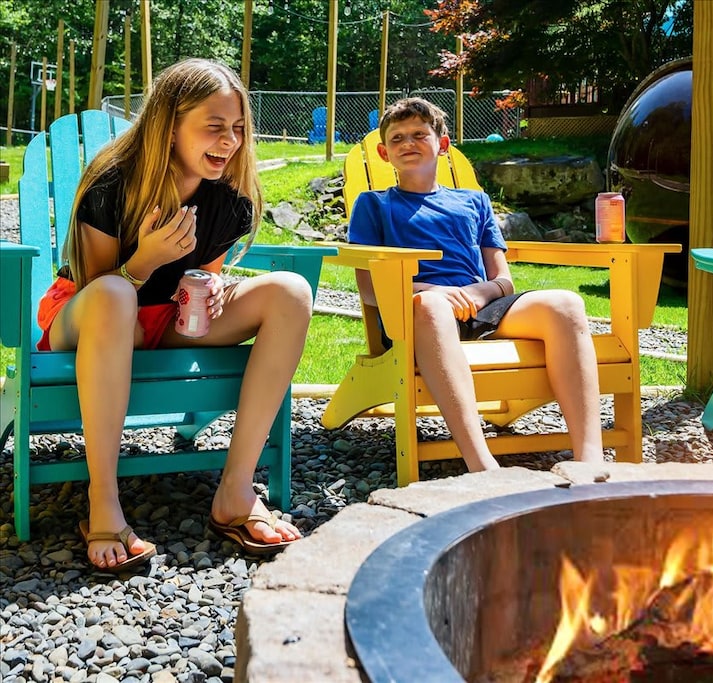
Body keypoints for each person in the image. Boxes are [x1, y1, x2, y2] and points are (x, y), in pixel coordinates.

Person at [39, 58, 311, 570]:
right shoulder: (112, 184)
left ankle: (235, 489)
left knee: (290, 291)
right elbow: (96, 288)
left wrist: (211, 291)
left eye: (236, 128)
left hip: (164, 321)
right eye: (213, 127)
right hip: (86, 318)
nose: (229, 140)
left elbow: (202, 275)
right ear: (168, 127)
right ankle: (104, 500)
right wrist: (144, 261)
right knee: (118, 295)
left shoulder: (227, 202)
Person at [347, 97, 605, 473]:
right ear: (384, 153)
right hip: (416, 317)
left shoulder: (474, 201)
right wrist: (433, 292)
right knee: (432, 308)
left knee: (566, 304)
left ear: (444, 145)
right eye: (398, 137)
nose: (408, 143)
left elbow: (503, 280)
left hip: (482, 308)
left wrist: (473, 293)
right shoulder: (374, 205)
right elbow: (370, 291)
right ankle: (482, 465)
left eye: (419, 134)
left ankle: (590, 458)